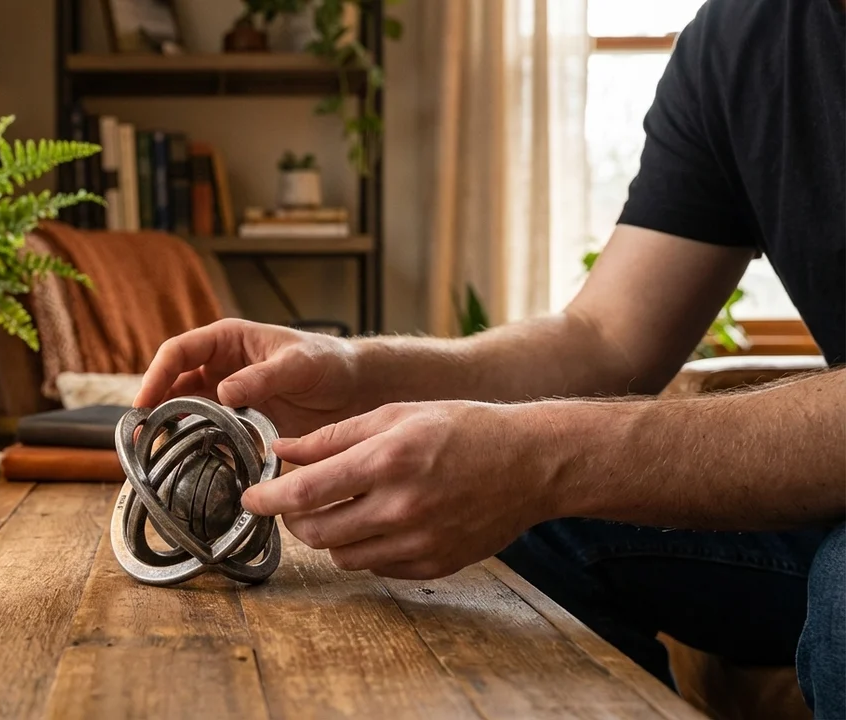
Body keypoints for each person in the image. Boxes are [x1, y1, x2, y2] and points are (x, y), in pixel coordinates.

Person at [135, 0, 844, 715]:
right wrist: (355, 371)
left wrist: (541, 457)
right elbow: (604, 337)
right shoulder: (741, 40)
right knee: (535, 528)